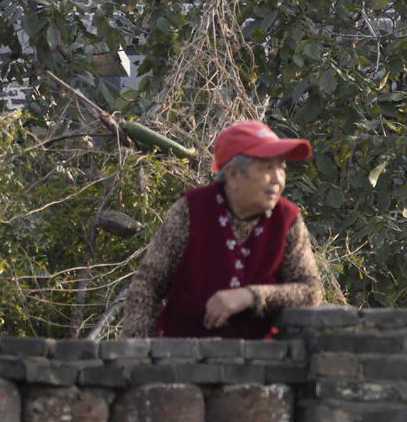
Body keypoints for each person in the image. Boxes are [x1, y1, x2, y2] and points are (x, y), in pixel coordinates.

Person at [119, 119, 323, 338]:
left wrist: (250, 296)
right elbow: (148, 285)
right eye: (267, 168)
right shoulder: (190, 211)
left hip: (258, 362)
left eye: (281, 169)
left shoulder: (287, 219)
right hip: (180, 358)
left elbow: (310, 290)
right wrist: (139, 355)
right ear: (233, 175)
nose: (278, 179)